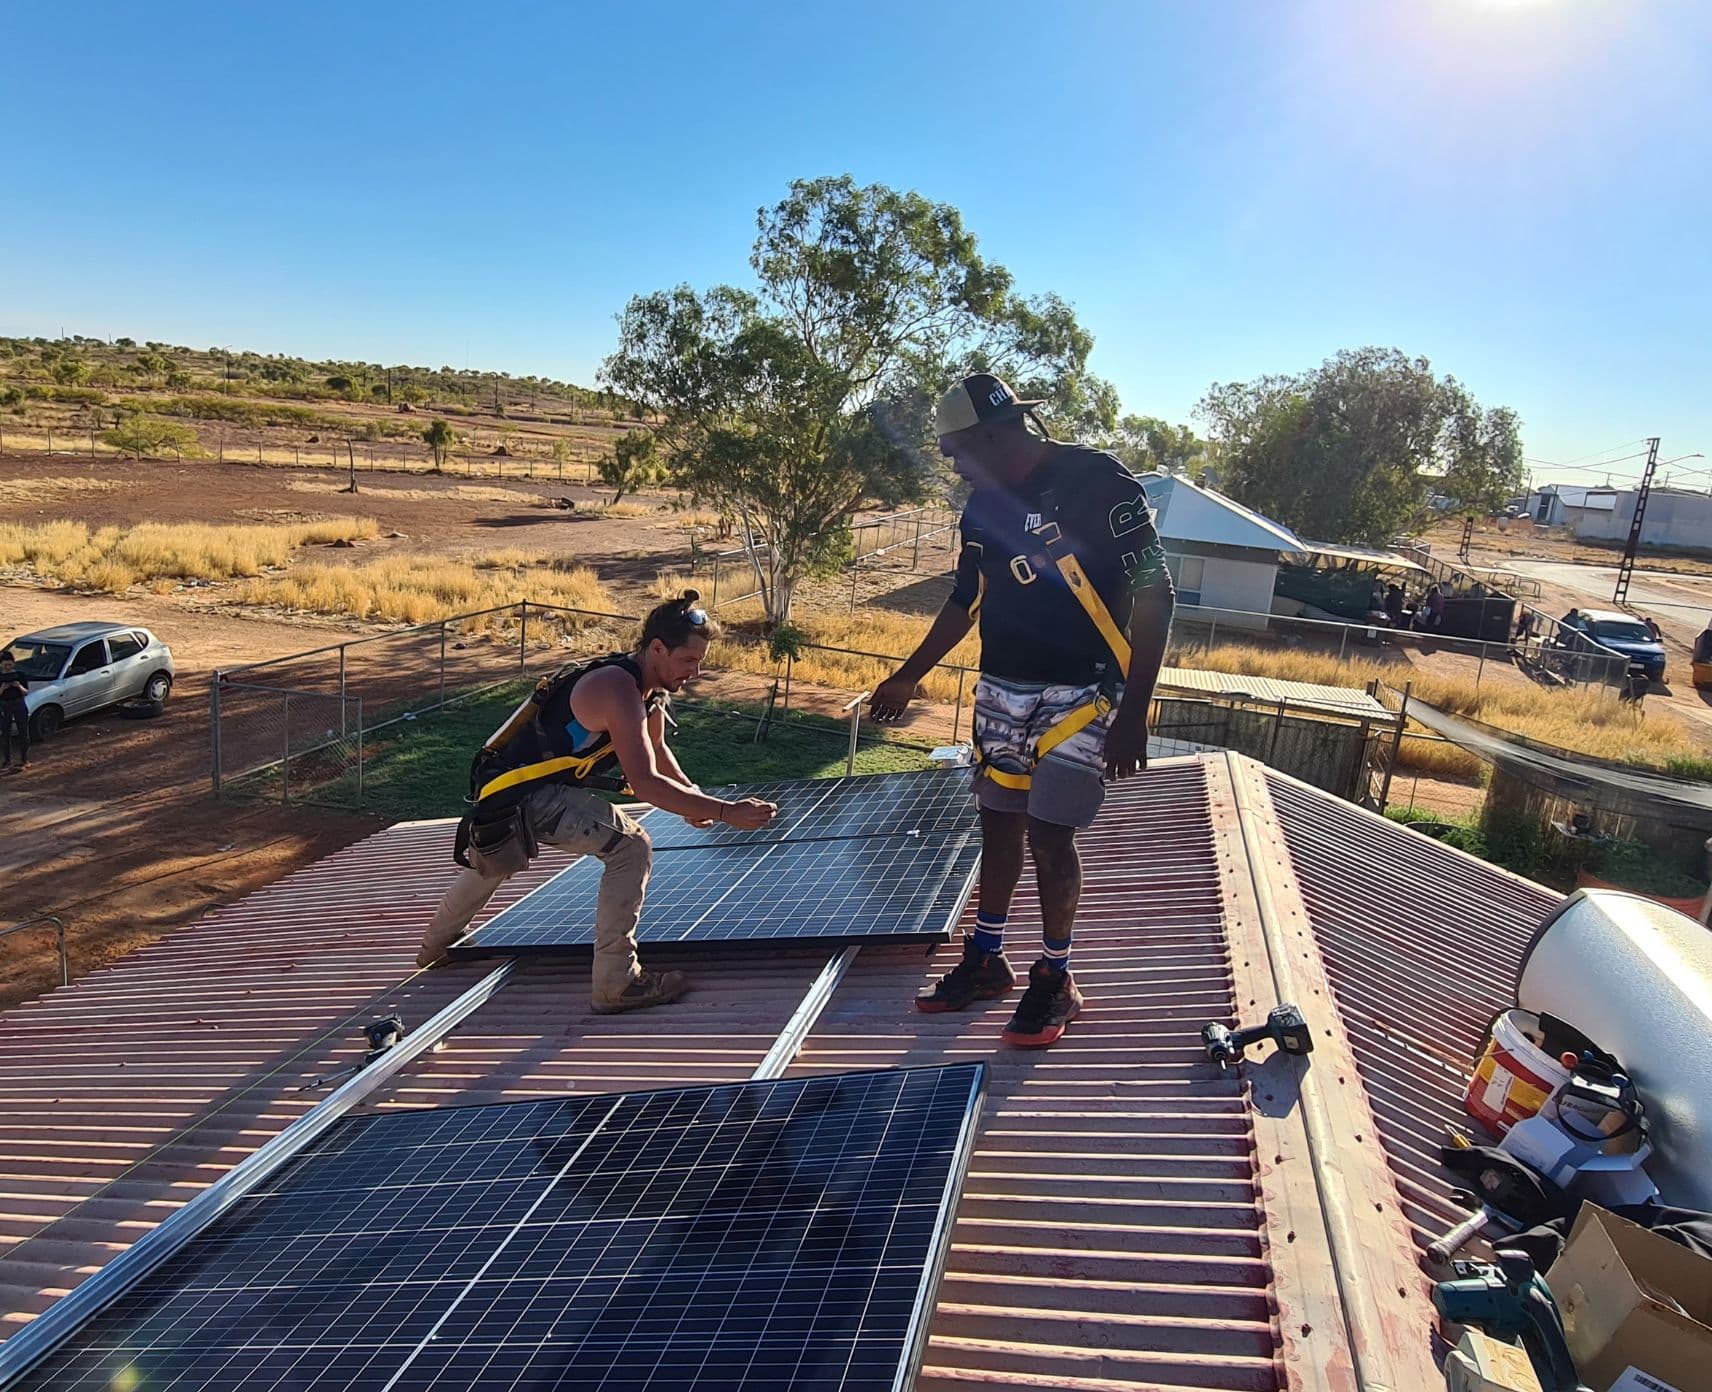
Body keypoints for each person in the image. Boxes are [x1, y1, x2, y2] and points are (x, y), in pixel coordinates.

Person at [871, 373, 1174, 1048]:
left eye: (954, 447)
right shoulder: (981, 507)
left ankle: (1057, 976)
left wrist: (1134, 713)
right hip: (1002, 688)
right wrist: (907, 676)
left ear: (991, 435)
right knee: (999, 824)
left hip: (1082, 691)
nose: (949, 460)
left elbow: (1156, 595)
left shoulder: (1099, 482)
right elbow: (963, 600)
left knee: (1050, 835)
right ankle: (987, 958)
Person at [415, 591, 778, 1011]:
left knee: (493, 862)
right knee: (630, 846)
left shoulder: (650, 689)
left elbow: (657, 751)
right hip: (520, 793)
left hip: (511, 792)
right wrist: (724, 811)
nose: (695, 672)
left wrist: (692, 797)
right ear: (657, 648)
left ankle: (435, 950)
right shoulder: (616, 688)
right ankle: (617, 983)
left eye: (700, 661)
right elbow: (643, 782)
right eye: (689, 660)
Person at [0, 651, 28, 773]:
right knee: (6, 733)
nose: (8, 667)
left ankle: (24, 759)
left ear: (13, 664)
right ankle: (7, 760)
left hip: (19, 703)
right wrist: (2, 688)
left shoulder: (20, 675)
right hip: (4, 705)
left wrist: (18, 686)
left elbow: (26, 692)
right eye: (5, 665)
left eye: (10, 665)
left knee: (23, 731)